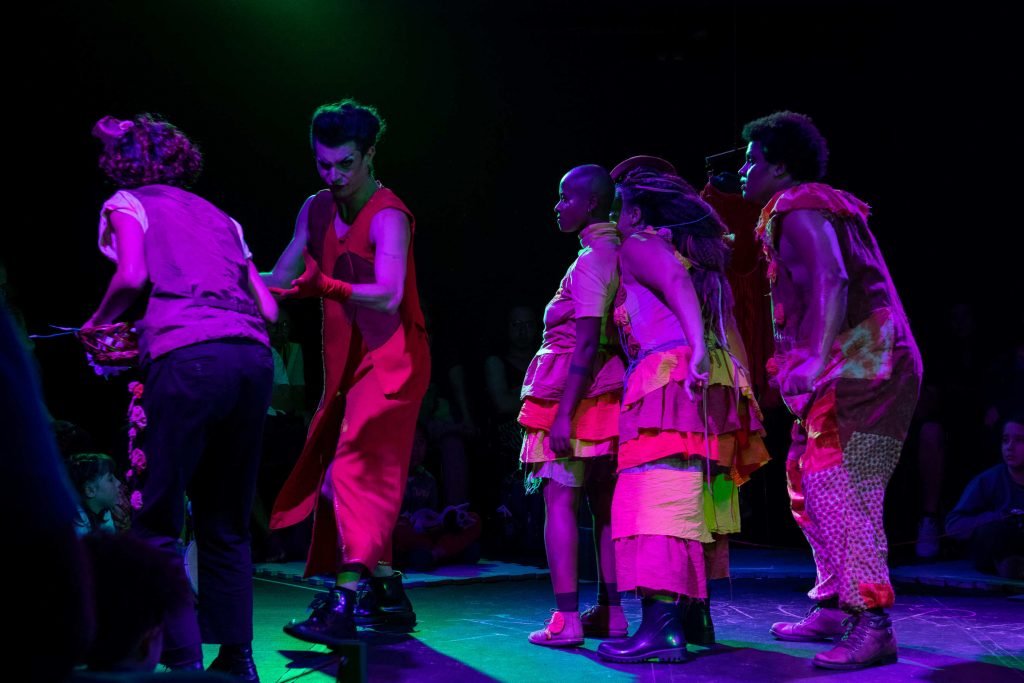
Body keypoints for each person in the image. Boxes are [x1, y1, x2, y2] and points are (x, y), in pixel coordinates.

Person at [83, 113, 278, 681]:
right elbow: (267, 308)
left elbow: (132, 277)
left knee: (157, 520)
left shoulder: (127, 203)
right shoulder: (223, 218)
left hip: (186, 358)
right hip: (251, 359)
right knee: (227, 522)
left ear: (122, 165)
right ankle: (237, 661)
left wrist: (94, 328)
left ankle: (182, 658)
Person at [738, 111, 922, 670]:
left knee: (841, 486)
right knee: (806, 478)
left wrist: (816, 358)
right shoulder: (806, 206)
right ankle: (838, 604)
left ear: (782, 166)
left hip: (867, 361)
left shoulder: (800, 204)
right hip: (858, 361)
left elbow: (835, 278)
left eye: (753, 159)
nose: (744, 170)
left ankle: (872, 621)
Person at [264, 99, 430, 645]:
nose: (333, 176)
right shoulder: (314, 209)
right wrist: (220, 274)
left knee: (352, 474)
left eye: (345, 164)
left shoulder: (388, 214)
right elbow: (282, 276)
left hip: (393, 364)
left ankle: (343, 600)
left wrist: (327, 286)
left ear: (369, 155)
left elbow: (387, 293)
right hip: (346, 363)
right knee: (340, 482)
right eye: (323, 164)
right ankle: (388, 591)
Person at [597, 164, 769, 664]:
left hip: (670, 377)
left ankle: (661, 627)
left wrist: (692, 347)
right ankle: (695, 614)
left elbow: (672, 284)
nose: (613, 220)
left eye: (616, 209)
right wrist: (744, 396)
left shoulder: (642, 245)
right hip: (714, 380)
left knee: (655, 495)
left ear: (634, 211)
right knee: (698, 498)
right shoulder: (702, 259)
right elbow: (730, 327)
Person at [518, 165, 625, 648]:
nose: (557, 206)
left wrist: (563, 413)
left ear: (591, 204)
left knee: (561, 501)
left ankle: (567, 619)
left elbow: (584, 343)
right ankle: (612, 612)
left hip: (574, 392)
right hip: (607, 388)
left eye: (565, 198)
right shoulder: (619, 251)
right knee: (604, 505)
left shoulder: (591, 259)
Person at [945, 416, 1024, 579]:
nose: (1010, 447)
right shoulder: (988, 480)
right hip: (998, 547)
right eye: (1005, 440)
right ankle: (1011, 567)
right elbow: (953, 525)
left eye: (1019, 440)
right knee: (996, 533)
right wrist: (997, 517)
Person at [67, 453, 121, 535]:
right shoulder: (76, 529)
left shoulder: (104, 513)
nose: (118, 483)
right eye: (110, 479)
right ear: (90, 491)